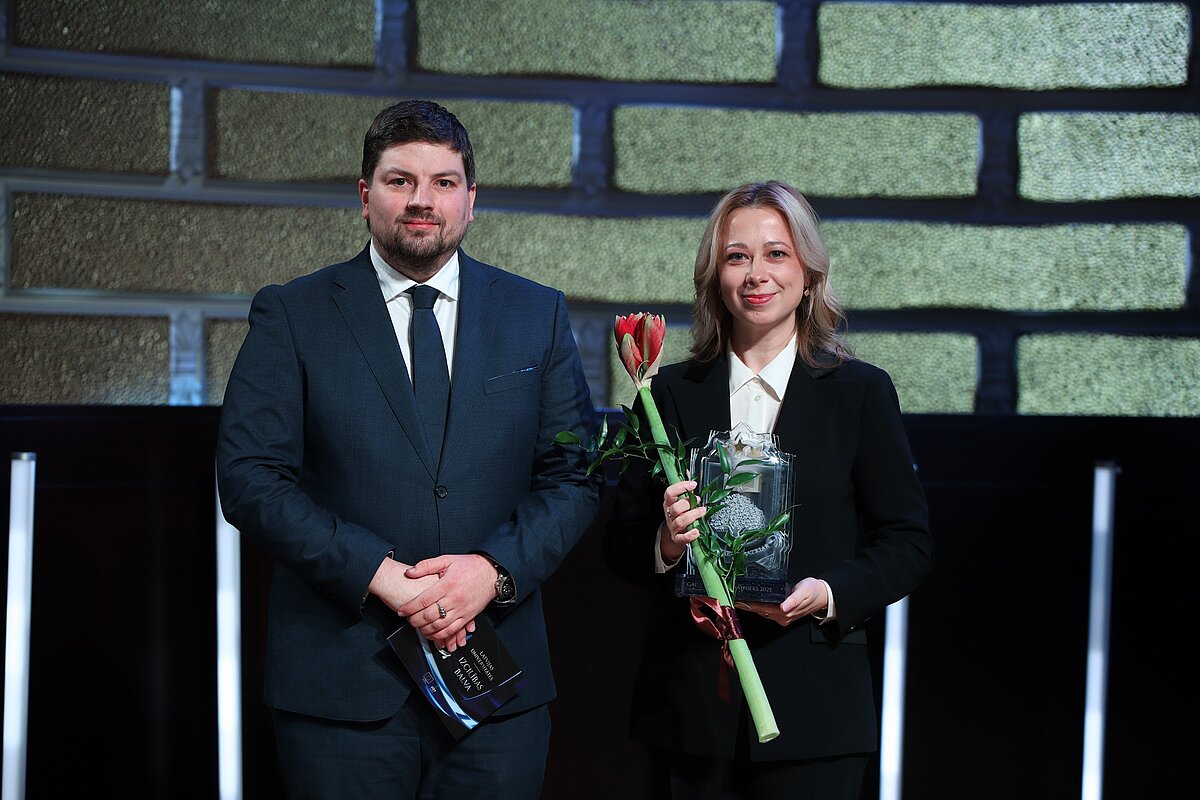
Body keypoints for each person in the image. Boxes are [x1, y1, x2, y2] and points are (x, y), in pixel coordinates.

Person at [215, 99, 601, 800]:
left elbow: (573, 476)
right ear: (366, 197)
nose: (422, 200)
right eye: (401, 181)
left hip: (494, 681)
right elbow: (250, 479)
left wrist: (491, 572)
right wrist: (380, 574)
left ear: (470, 200)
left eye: (443, 182)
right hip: (342, 686)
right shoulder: (294, 313)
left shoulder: (535, 313)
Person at [604, 180, 932, 799]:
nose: (757, 274)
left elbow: (908, 544)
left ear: (809, 273)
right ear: (715, 277)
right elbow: (620, 546)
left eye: (776, 254)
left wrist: (828, 593)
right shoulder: (667, 393)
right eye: (737, 257)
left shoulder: (860, 393)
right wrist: (667, 543)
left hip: (816, 707)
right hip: (690, 712)